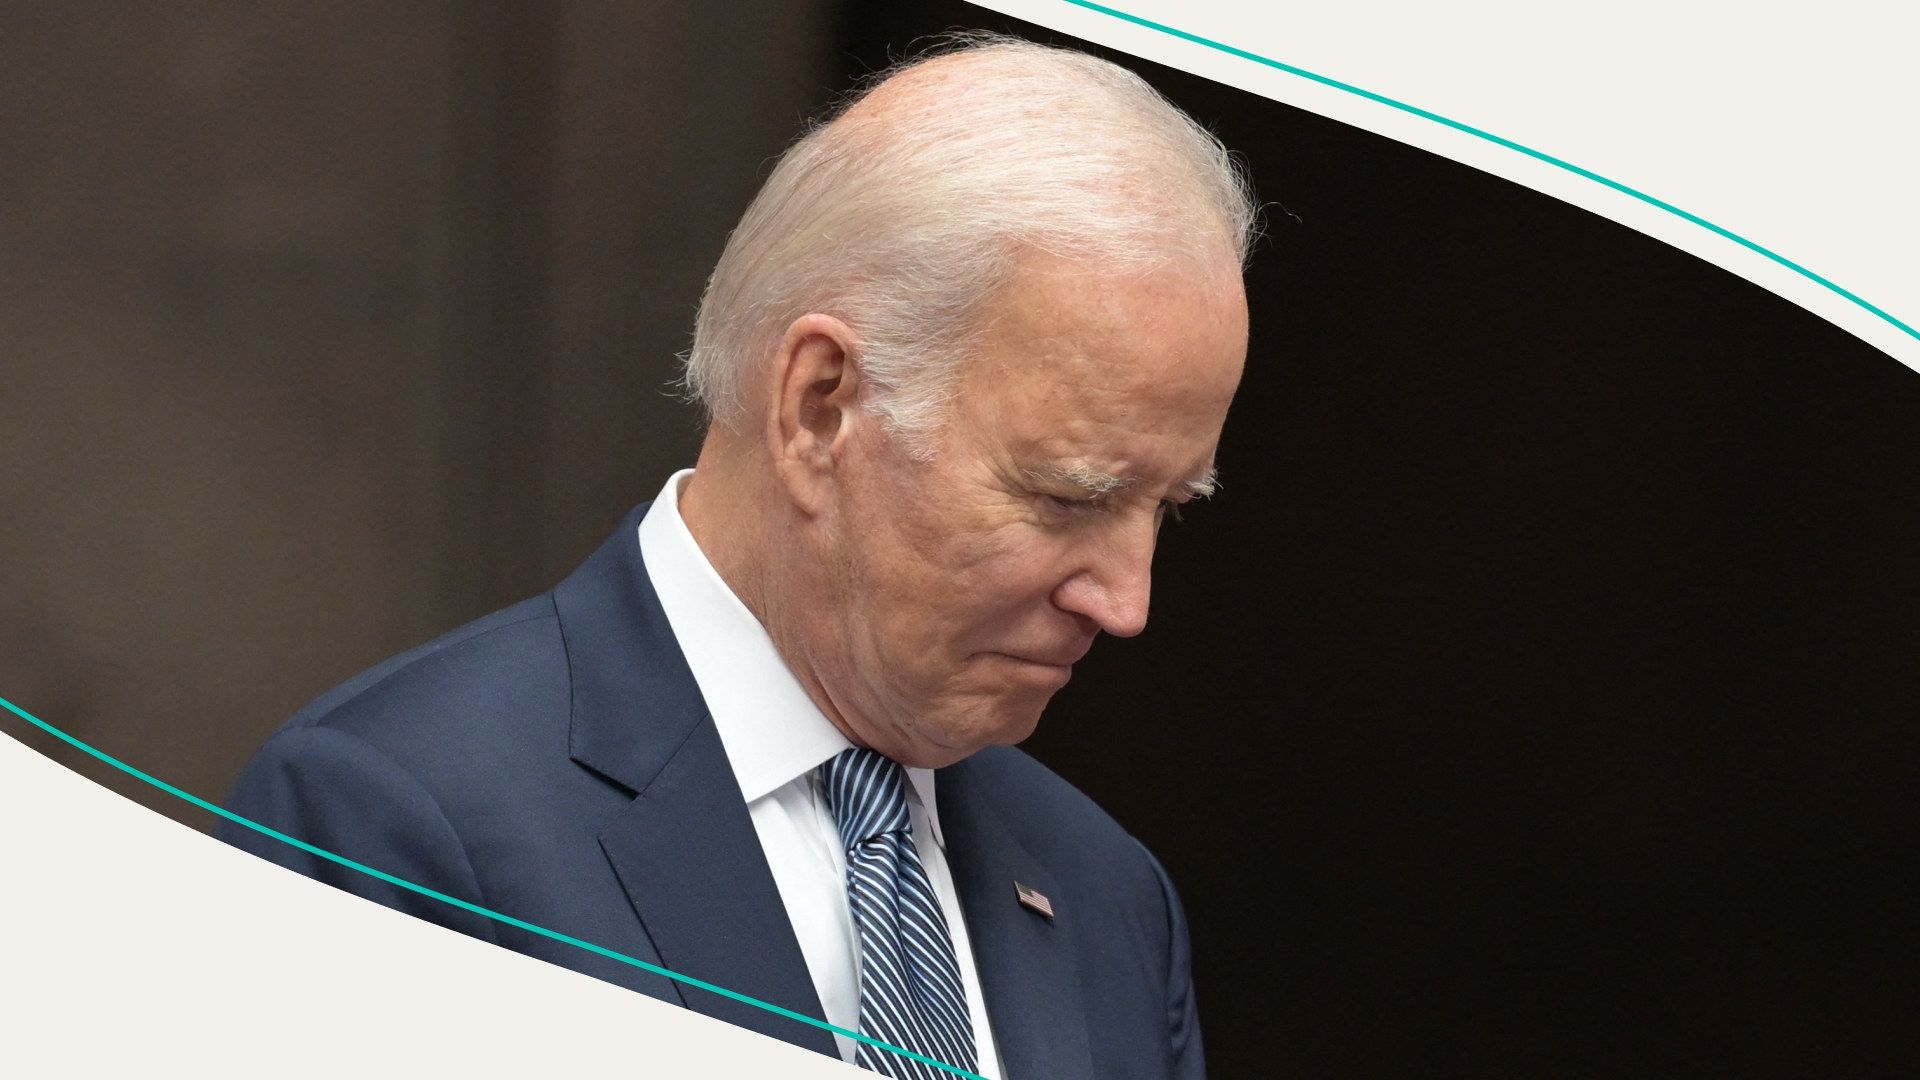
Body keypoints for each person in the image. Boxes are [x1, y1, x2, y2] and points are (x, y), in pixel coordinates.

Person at [220, 35, 1252, 1080]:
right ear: (820, 409)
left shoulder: (1109, 896)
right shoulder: (387, 823)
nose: (1127, 601)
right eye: (1069, 496)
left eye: (1167, 507)